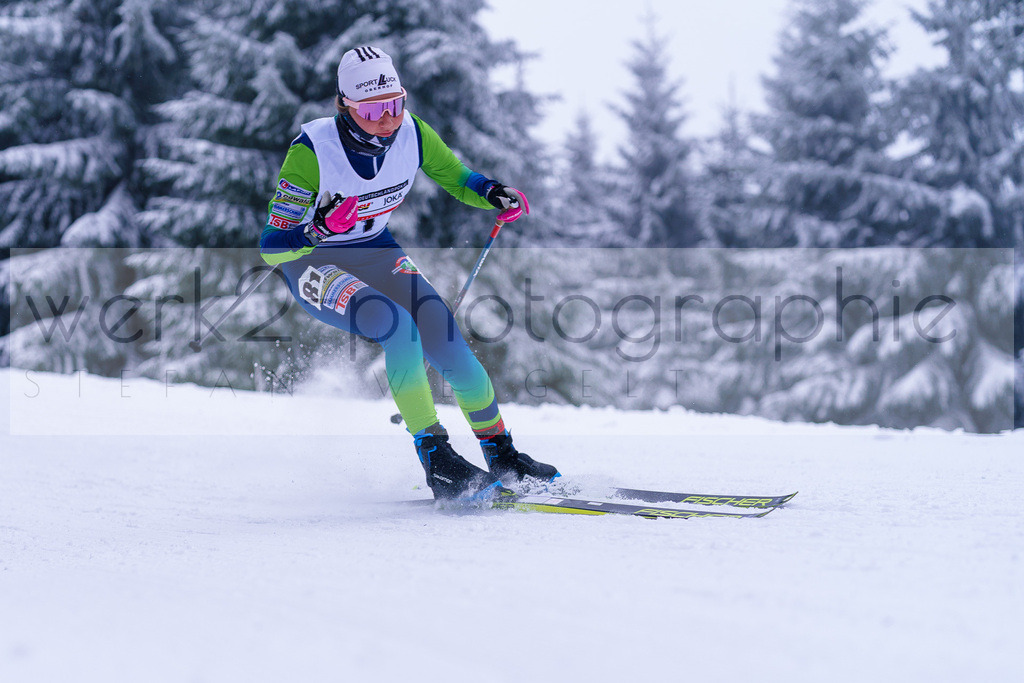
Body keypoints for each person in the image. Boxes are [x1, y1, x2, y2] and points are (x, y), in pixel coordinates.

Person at [259, 46, 558, 500]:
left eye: (395, 104)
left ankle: (501, 452)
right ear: (345, 106)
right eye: (374, 109)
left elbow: (459, 179)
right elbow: (270, 248)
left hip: (376, 251)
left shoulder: (412, 133)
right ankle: (438, 460)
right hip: (313, 263)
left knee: (444, 337)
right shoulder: (312, 151)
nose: (388, 120)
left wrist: (493, 193)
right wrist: (318, 228)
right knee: (397, 327)